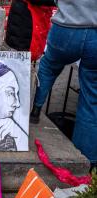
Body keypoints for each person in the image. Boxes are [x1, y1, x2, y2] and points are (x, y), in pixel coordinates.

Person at [30, 0, 97, 172]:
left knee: (48, 68)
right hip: (95, 34)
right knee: (91, 97)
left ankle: (35, 109)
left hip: (66, 28)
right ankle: (85, 161)